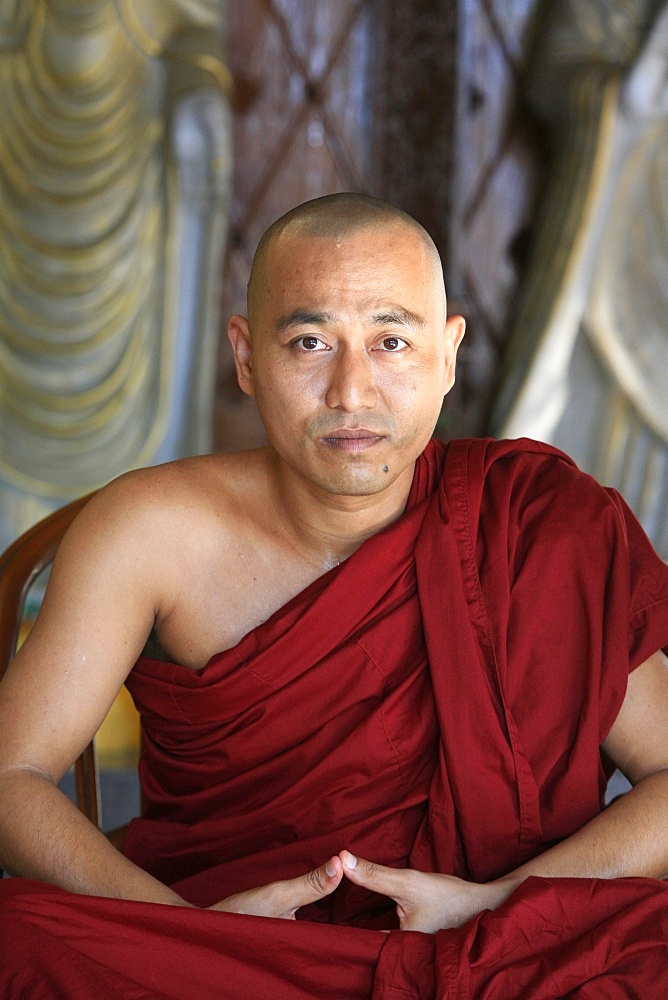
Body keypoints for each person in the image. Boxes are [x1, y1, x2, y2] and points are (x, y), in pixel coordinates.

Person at [0, 193, 667, 998]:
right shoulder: (148, 531)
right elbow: (13, 774)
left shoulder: (537, 529)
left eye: (392, 341)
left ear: (447, 355)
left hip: (492, 945)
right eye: (310, 342)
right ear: (246, 356)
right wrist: (187, 927)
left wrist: (495, 906)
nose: (352, 392)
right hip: (226, 954)